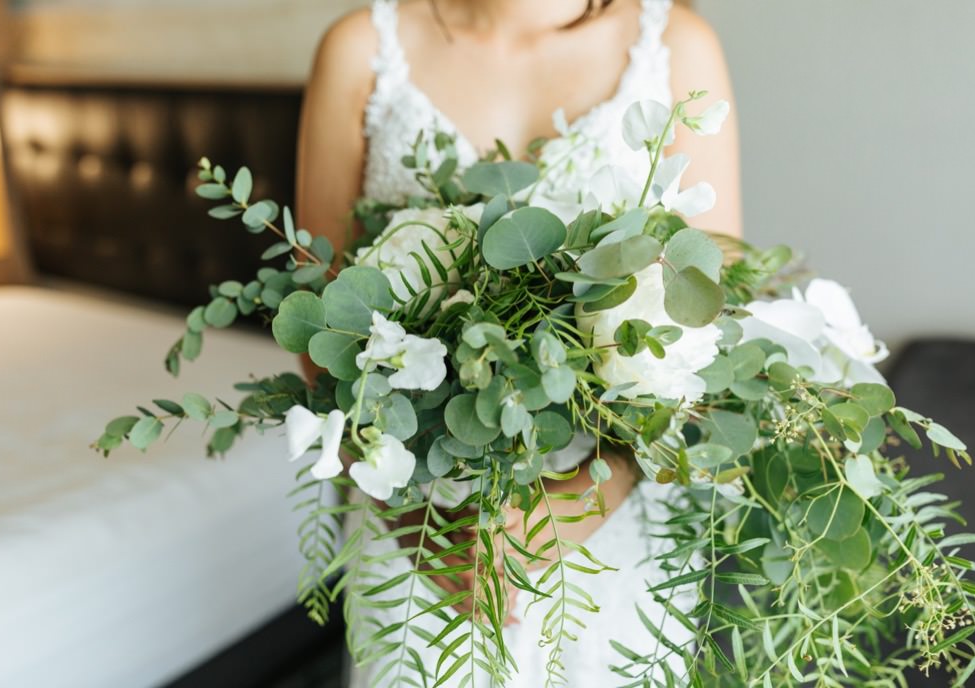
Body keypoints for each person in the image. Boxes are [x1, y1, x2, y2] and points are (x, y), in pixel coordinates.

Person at [292, 0, 740, 684]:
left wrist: (566, 509)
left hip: (607, 531)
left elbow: (710, 325)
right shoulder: (361, 47)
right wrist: (424, 530)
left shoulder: (678, 44)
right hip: (420, 534)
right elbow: (323, 334)